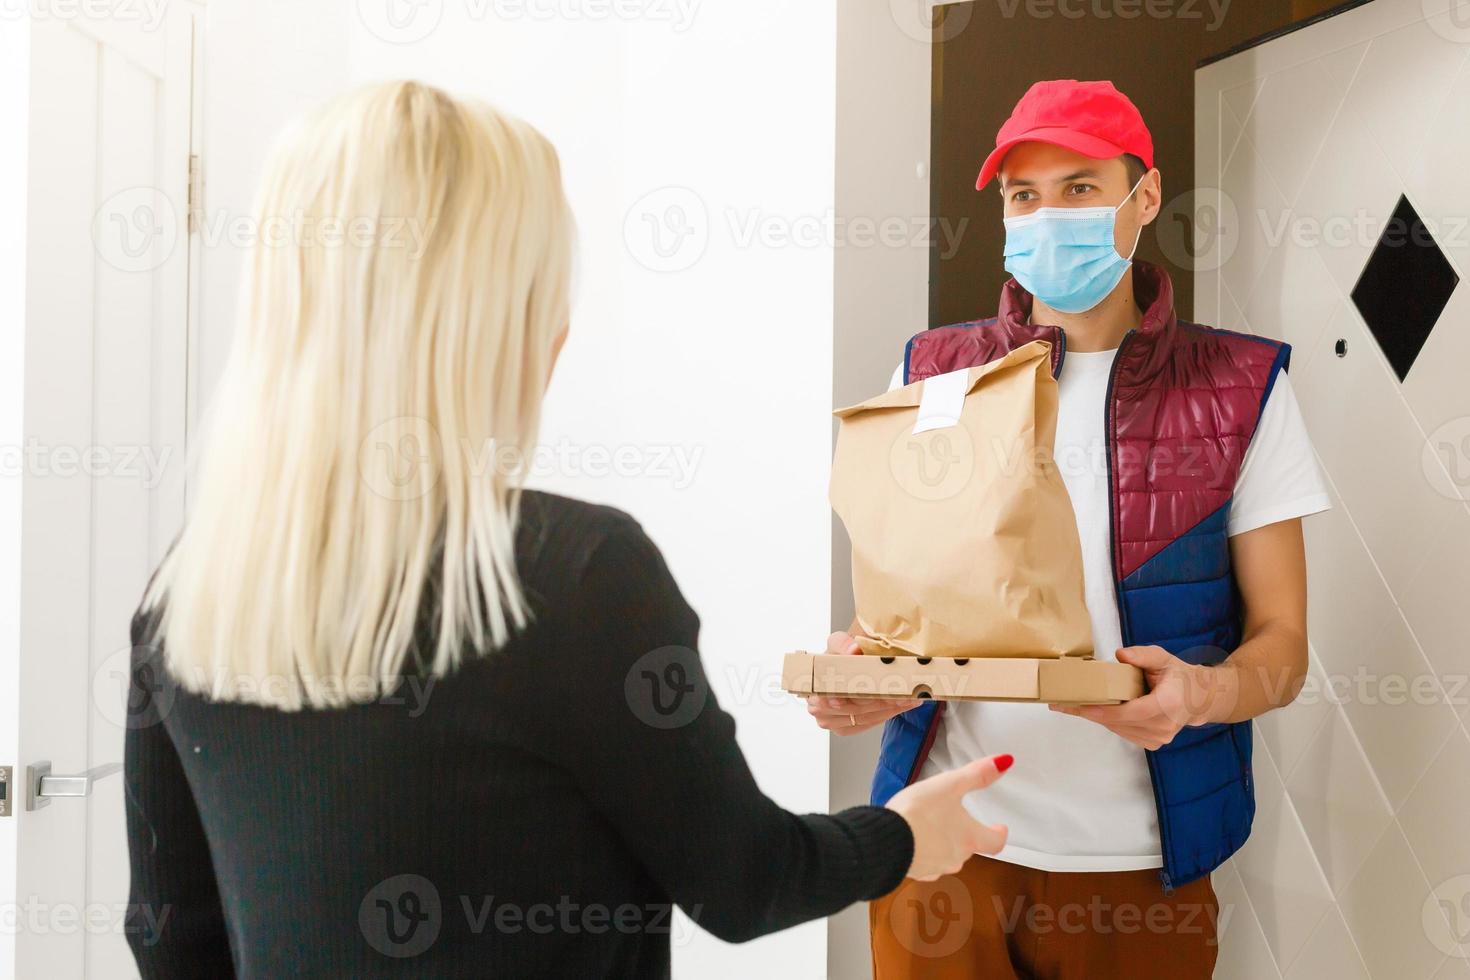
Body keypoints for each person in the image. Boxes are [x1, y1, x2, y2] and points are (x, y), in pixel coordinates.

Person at [121, 80, 1014, 979]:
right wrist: (901, 835)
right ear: (488, 318)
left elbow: (169, 936)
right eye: (544, 284)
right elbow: (742, 881)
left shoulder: (188, 594)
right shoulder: (575, 574)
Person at [807, 79, 1330, 978]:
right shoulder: (932, 370)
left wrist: (1200, 696)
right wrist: (869, 674)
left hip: (1136, 873)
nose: (1049, 217)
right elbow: (908, 608)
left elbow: (1283, 647)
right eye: (1024, 197)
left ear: (1146, 196)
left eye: (1081, 189)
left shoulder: (1241, 388)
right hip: (943, 853)